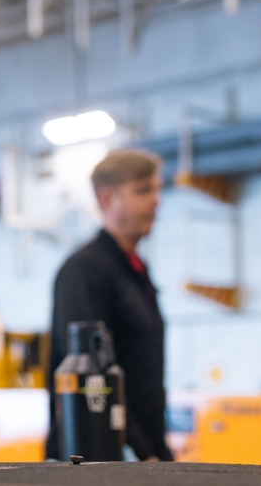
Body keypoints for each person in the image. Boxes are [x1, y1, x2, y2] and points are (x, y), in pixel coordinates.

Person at [44, 149, 172, 462]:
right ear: (106, 200)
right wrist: (143, 454)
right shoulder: (84, 272)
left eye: (157, 189)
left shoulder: (137, 271)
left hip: (139, 452)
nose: (156, 200)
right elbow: (95, 380)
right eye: (143, 190)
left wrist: (158, 451)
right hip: (96, 457)